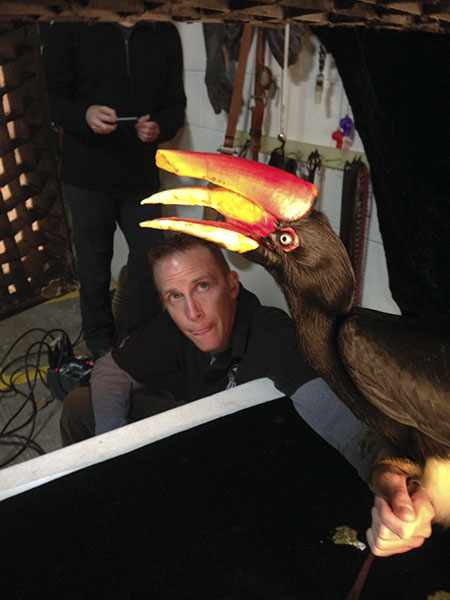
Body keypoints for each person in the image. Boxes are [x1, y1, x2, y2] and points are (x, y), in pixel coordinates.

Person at [61, 233, 434, 557]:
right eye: (175, 296)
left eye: (202, 286)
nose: (192, 312)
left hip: (261, 473)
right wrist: (110, 448)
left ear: (232, 284)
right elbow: (111, 368)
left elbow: (348, 430)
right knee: (80, 406)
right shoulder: (176, 325)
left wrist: (391, 481)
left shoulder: (276, 337)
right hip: (202, 435)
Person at [43, 20, 187, 359]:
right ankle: (100, 344)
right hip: (86, 173)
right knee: (94, 266)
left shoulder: (162, 29)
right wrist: (85, 114)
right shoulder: (72, 26)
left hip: (140, 173)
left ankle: (135, 339)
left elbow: (174, 104)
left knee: (151, 259)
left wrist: (160, 127)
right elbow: (54, 98)